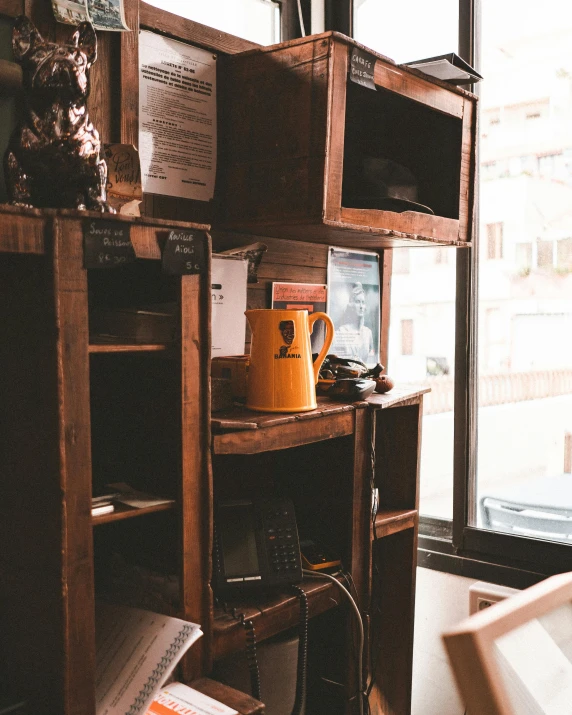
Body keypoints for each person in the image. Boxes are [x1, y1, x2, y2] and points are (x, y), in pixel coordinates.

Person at [333, 282, 375, 364]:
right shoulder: (341, 332)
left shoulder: (368, 333)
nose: (361, 306)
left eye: (363, 302)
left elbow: (370, 360)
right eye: (357, 302)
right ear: (350, 305)